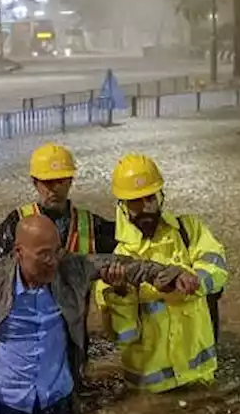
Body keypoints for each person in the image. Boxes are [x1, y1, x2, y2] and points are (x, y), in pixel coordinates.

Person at [0, 214, 198, 414]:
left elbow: (128, 266)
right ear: (18, 252)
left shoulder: (71, 269)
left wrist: (171, 275)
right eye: (44, 255)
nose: (53, 261)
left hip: (58, 401)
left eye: (57, 251)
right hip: (3, 401)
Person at [96, 154, 228, 392]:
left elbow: (217, 268)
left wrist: (194, 281)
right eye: (135, 202)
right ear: (122, 207)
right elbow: (123, 337)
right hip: (151, 391)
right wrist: (120, 293)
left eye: (150, 198)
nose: (145, 207)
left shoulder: (189, 230)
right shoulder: (116, 262)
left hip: (200, 376)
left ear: (160, 196)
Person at [0, 143, 117, 258]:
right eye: (48, 182)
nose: (55, 189)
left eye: (60, 181)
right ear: (35, 183)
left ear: (70, 181)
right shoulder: (17, 221)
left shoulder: (92, 225)